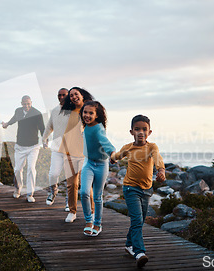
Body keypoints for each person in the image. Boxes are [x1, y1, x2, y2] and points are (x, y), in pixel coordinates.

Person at [110, 114, 165, 268]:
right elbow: (118, 156)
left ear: (150, 132)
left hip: (147, 190)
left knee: (139, 221)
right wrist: (113, 158)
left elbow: (158, 158)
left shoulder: (152, 147)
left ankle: (129, 245)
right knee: (136, 220)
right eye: (137, 129)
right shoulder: (128, 147)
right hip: (130, 188)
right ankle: (139, 252)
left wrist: (161, 171)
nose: (141, 132)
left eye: (144, 129)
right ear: (131, 131)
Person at [79, 100, 115, 236]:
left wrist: (112, 153)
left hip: (101, 165)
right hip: (88, 163)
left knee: (98, 196)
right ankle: (89, 220)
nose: (87, 115)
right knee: (83, 192)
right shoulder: (85, 126)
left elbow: (105, 142)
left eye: (90, 113)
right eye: (85, 112)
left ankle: (97, 224)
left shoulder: (99, 128)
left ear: (97, 115)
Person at [60, 87, 95, 223]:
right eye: (71, 95)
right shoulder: (68, 112)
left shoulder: (89, 109)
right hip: (68, 152)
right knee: (71, 185)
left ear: (82, 94)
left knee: (86, 186)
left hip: (84, 154)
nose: (74, 97)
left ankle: (92, 212)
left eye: (76, 94)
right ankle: (72, 211)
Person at [3, 95, 45, 203]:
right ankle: (18, 189)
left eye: (28, 104)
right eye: (24, 104)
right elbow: (14, 119)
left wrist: (45, 141)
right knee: (17, 169)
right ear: (21, 103)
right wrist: (7, 124)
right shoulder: (18, 111)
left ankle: (30, 194)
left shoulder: (37, 113)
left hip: (33, 146)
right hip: (20, 146)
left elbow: (42, 128)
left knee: (31, 168)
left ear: (31, 102)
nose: (26, 106)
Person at [42, 88, 69, 210]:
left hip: (71, 150)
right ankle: (53, 192)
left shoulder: (75, 110)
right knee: (53, 174)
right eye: (59, 95)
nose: (61, 97)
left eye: (64, 95)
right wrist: (44, 138)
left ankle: (70, 200)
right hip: (57, 148)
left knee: (71, 177)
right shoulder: (54, 110)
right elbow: (49, 126)